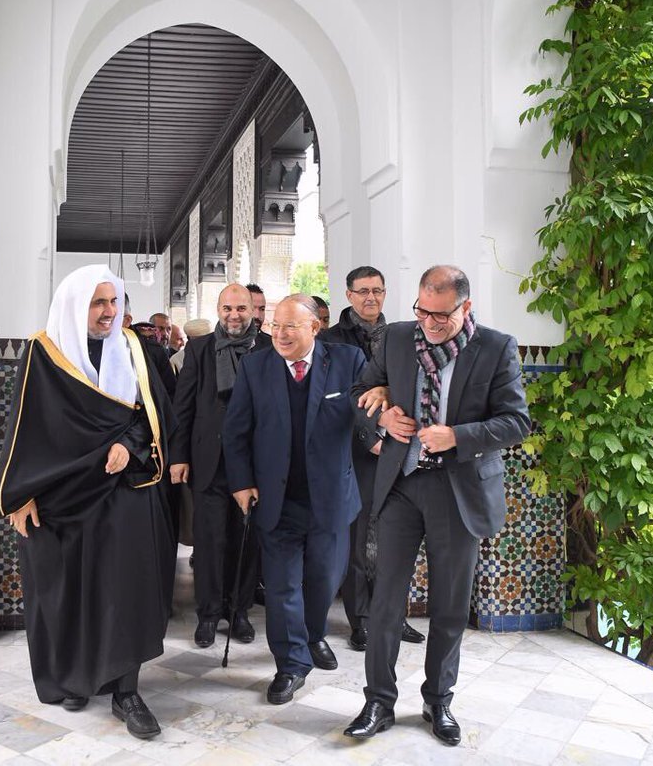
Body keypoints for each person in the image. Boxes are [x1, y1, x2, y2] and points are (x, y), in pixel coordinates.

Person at [343, 265, 530, 746]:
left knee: (449, 607)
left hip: (458, 490)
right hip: (402, 485)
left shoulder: (496, 347)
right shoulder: (399, 337)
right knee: (385, 602)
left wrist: (458, 436)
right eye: (422, 310)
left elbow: (516, 422)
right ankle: (378, 700)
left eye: (441, 315)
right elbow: (359, 391)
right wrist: (382, 412)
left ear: (465, 307)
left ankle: (438, 700)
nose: (429, 322)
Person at [0, 264, 177, 740]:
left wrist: (130, 446)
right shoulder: (43, 351)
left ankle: (126, 692)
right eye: (98, 303)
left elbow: (154, 414)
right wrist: (20, 495)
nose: (108, 313)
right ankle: (73, 678)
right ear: (77, 305)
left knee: (125, 593)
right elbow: (22, 428)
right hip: (59, 499)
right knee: (66, 590)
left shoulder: (134, 348)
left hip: (122, 493)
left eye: (113, 302)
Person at [223, 295, 372, 704]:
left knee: (324, 579)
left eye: (291, 326)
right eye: (275, 325)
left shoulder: (348, 361)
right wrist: (241, 483)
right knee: (283, 585)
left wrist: (379, 433)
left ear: (314, 327)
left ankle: (312, 635)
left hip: (330, 497)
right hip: (276, 497)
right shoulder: (256, 368)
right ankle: (291, 664)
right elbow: (236, 432)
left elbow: (366, 413)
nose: (281, 334)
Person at [320, 267, 425, 651]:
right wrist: (369, 438)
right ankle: (362, 620)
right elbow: (338, 399)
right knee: (360, 538)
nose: (371, 298)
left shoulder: (402, 336)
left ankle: (393, 617)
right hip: (356, 452)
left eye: (377, 291)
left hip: (398, 449)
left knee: (395, 538)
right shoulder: (331, 340)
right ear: (348, 295)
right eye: (362, 291)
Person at [170, 285, 271, 649]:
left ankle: (239, 611)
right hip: (209, 462)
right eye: (227, 307)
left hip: (255, 464)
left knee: (246, 540)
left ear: (253, 311)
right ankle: (209, 614)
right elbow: (183, 407)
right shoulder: (198, 349)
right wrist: (178, 456)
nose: (234, 315)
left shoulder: (269, 347)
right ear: (218, 308)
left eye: (241, 308)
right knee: (211, 542)